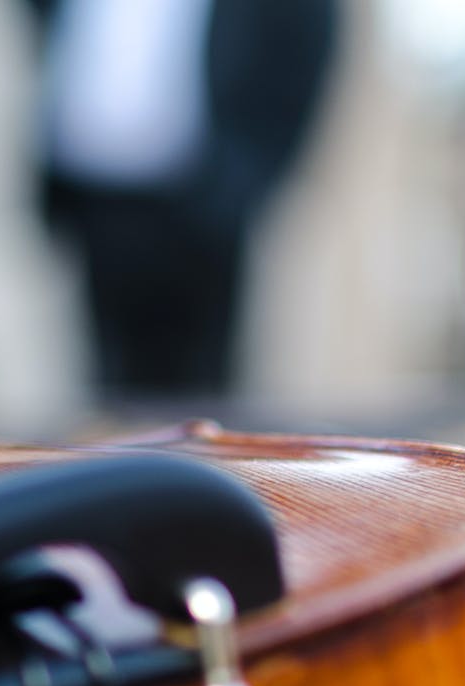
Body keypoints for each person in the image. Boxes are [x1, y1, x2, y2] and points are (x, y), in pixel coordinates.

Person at [35, 0, 338, 397]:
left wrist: (248, 177)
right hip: (94, 191)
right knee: (105, 380)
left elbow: (305, 37)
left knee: (200, 387)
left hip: (203, 195)